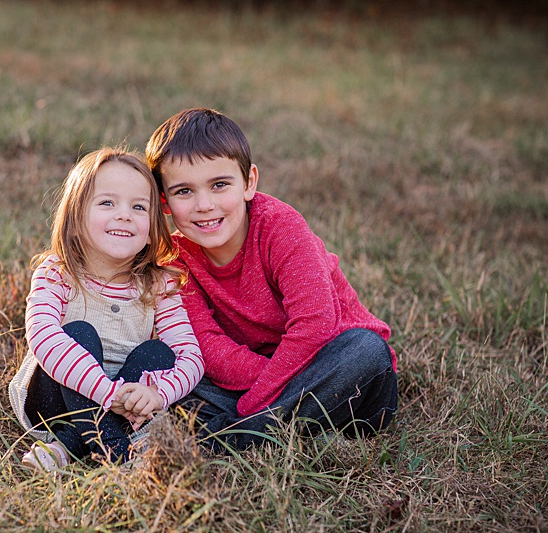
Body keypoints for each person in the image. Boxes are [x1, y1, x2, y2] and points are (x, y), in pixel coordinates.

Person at [144, 108, 398, 451]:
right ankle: (295, 432)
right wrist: (270, 392)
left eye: (219, 185)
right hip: (263, 383)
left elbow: (315, 326)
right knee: (166, 359)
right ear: (164, 201)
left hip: (336, 373)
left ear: (249, 182)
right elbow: (208, 345)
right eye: (184, 191)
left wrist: (254, 406)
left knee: (366, 350)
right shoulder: (174, 261)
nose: (204, 205)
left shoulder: (280, 227)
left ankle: (233, 437)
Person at [8, 146, 203, 472]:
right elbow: (44, 339)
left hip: (124, 405)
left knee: (158, 352)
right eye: (107, 203)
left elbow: (190, 357)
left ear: (153, 224)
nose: (124, 214)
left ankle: (66, 446)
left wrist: (158, 395)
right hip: (52, 402)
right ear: (76, 213)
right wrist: (107, 393)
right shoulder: (58, 272)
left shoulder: (160, 285)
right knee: (78, 334)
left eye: (139, 206)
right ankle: (115, 453)